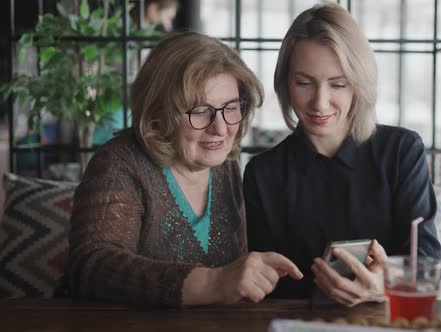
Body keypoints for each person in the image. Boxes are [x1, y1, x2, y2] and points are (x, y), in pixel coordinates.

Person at [66, 32, 302, 307]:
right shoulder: (119, 163)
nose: (221, 128)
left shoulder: (224, 166)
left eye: (231, 107)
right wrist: (213, 283)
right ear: (159, 111)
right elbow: (91, 266)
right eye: (200, 111)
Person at [243, 2, 441, 307]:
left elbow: (427, 260)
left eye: (338, 84)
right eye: (304, 82)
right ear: (286, 83)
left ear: (358, 85)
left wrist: (384, 285)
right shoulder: (262, 173)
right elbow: (265, 289)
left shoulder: (402, 151)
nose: (320, 103)